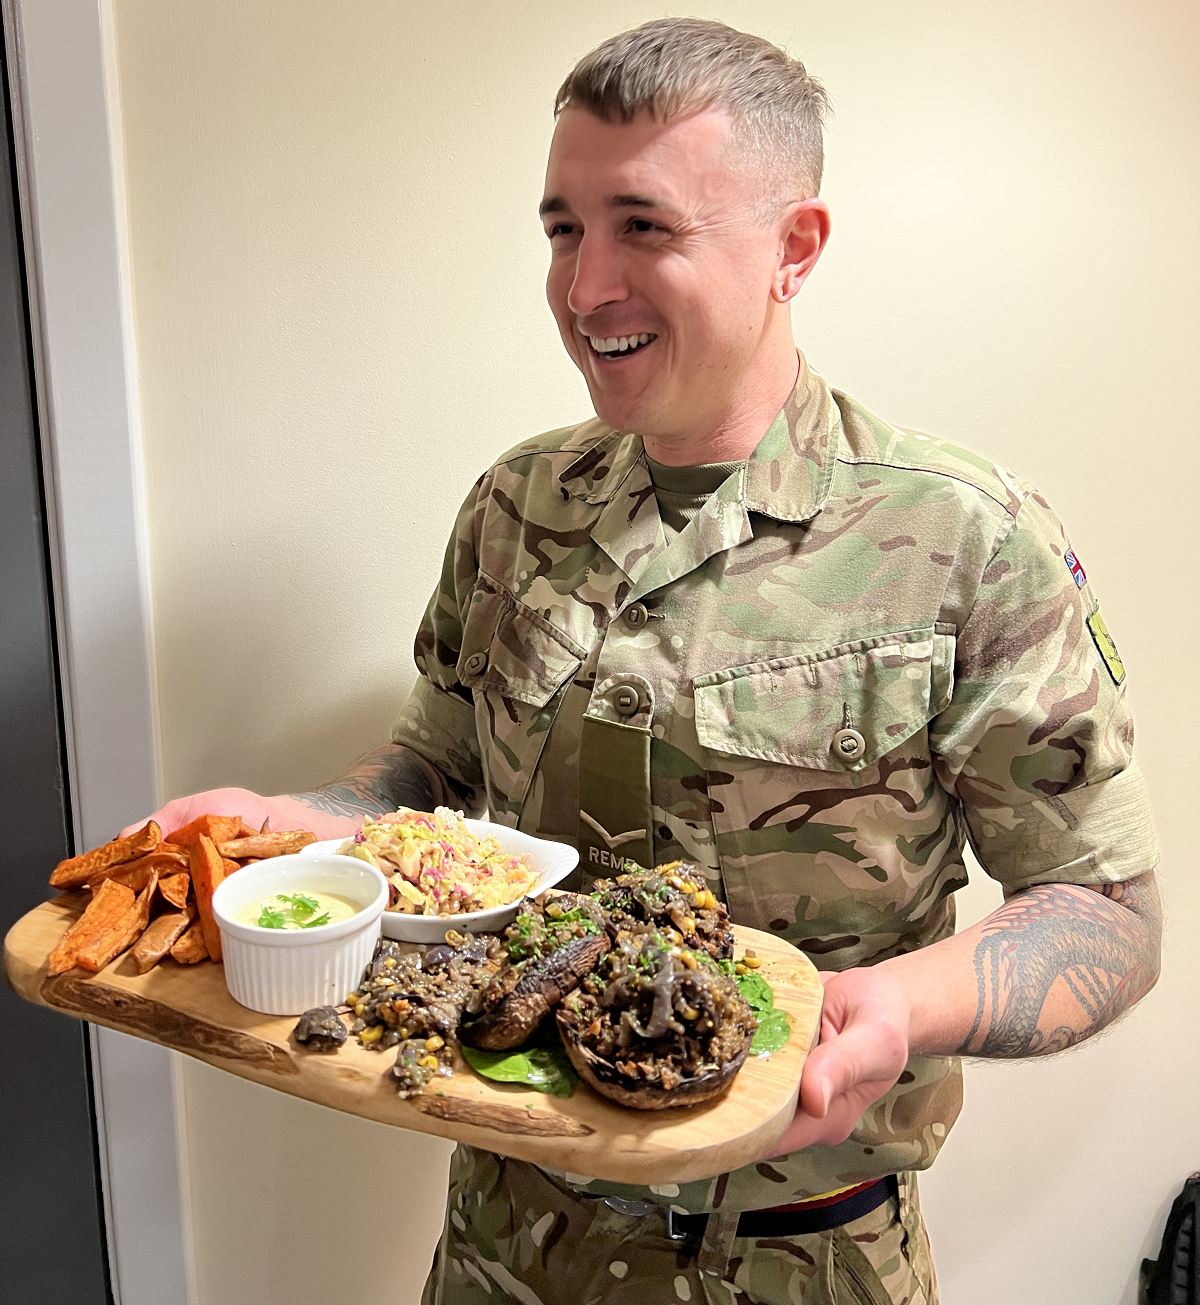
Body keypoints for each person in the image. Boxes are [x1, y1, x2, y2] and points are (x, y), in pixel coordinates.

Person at [137, 18, 1162, 1305]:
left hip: (800, 1258)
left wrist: (902, 1005)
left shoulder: (964, 540)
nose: (584, 289)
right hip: (507, 1238)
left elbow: (1104, 913)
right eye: (563, 229)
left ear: (795, 248)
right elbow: (433, 775)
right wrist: (307, 828)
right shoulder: (513, 506)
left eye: (644, 227)